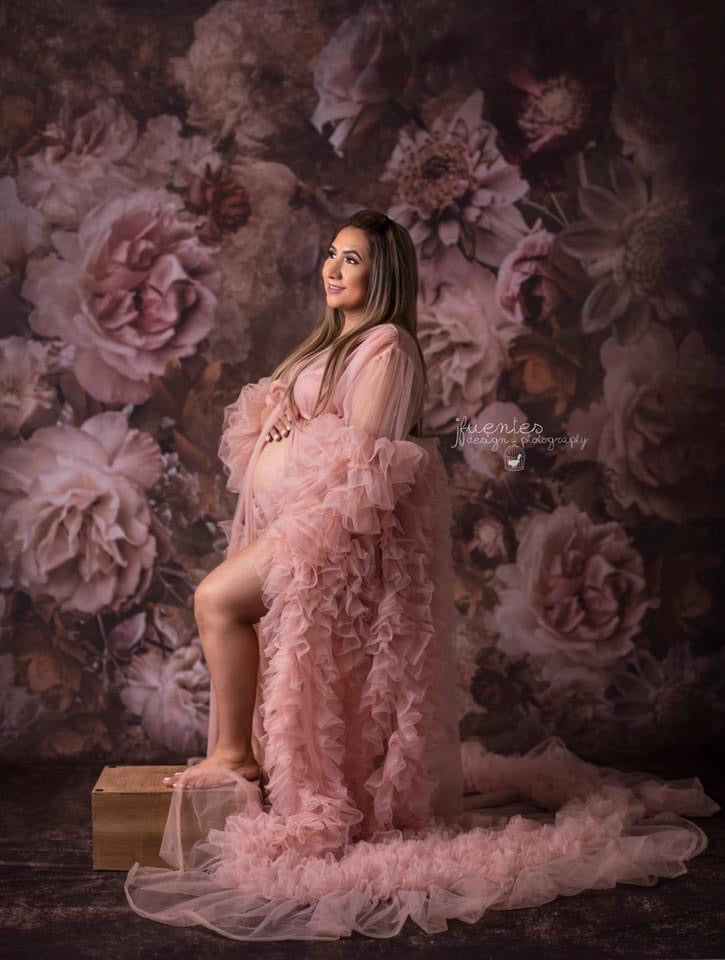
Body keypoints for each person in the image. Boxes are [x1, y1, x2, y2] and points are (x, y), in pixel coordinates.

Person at [124, 209, 719, 942]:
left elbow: (364, 458)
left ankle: (234, 756)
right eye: (332, 254)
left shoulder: (388, 347)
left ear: (383, 274)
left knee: (217, 598)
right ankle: (239, 755)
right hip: (300, 524)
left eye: (352, 260)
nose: (333, 269)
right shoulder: (330, 344)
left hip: (335, 536)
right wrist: (280, 426)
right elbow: (301, 430)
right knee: (226, 606)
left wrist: (298, 436)